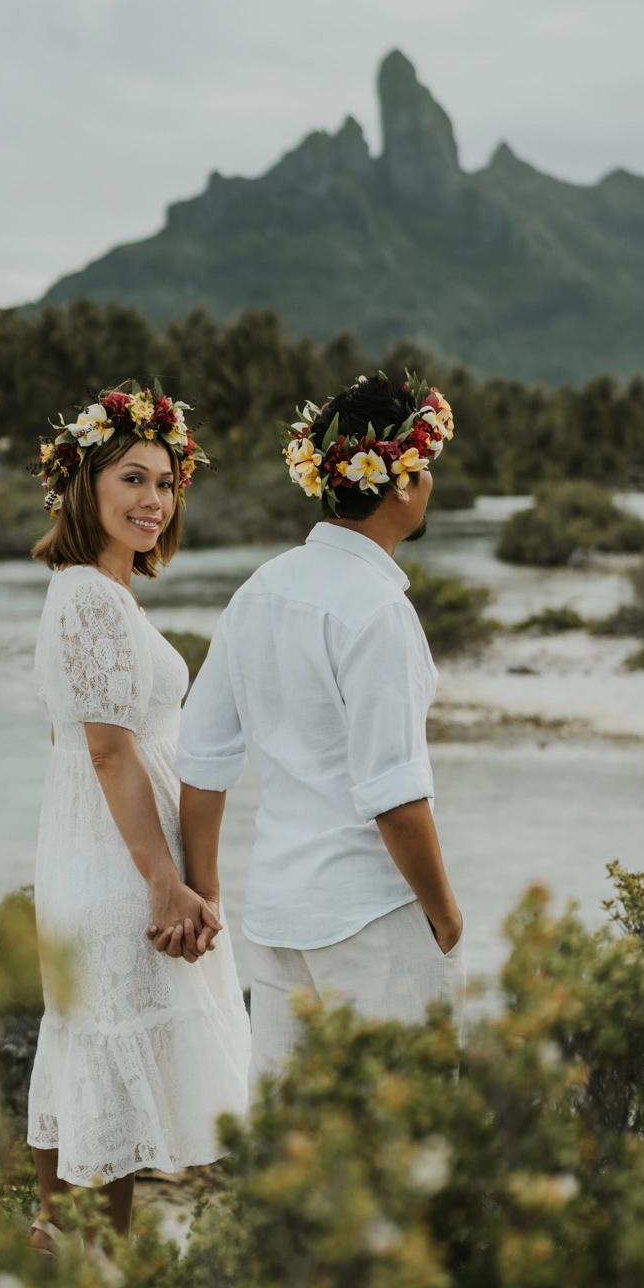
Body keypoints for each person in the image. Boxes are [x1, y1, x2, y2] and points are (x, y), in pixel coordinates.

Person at [175, 372, 464, 1085]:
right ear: (400, 481)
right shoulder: (377, 610)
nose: (431, 482)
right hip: (372, 913)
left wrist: (208, 891)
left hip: (277, 916)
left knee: (291, 1156)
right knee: (406, 1147)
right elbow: (393, 795)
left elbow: (203, 758)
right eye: (426, 467)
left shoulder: (260, 590)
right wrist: (445, 915)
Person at [25, 385, 250, 1250]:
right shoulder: (85, 596)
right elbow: (106, 752)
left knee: (94, 1049)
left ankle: (65, 1254)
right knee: (105, 1060)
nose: (154, 500)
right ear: (85, 485)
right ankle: (92, 1269)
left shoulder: (103, 594)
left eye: (165, 482)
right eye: (132, 478)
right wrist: (165, 880)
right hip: (119, 863)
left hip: (113, 851)